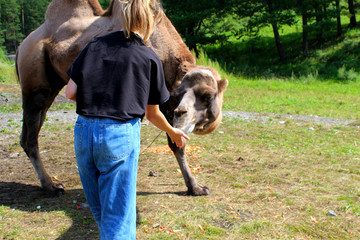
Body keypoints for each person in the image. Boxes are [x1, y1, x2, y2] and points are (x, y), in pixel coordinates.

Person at [65, 0, 190, 239]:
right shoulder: (148, 57)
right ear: (150, 20)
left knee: (103, 214)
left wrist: (98, 99)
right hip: (118, 136)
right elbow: (152, 113)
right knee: (119, 220)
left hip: (83, 132)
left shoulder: (94, 45)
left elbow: (70, 93)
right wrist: (173, 132)